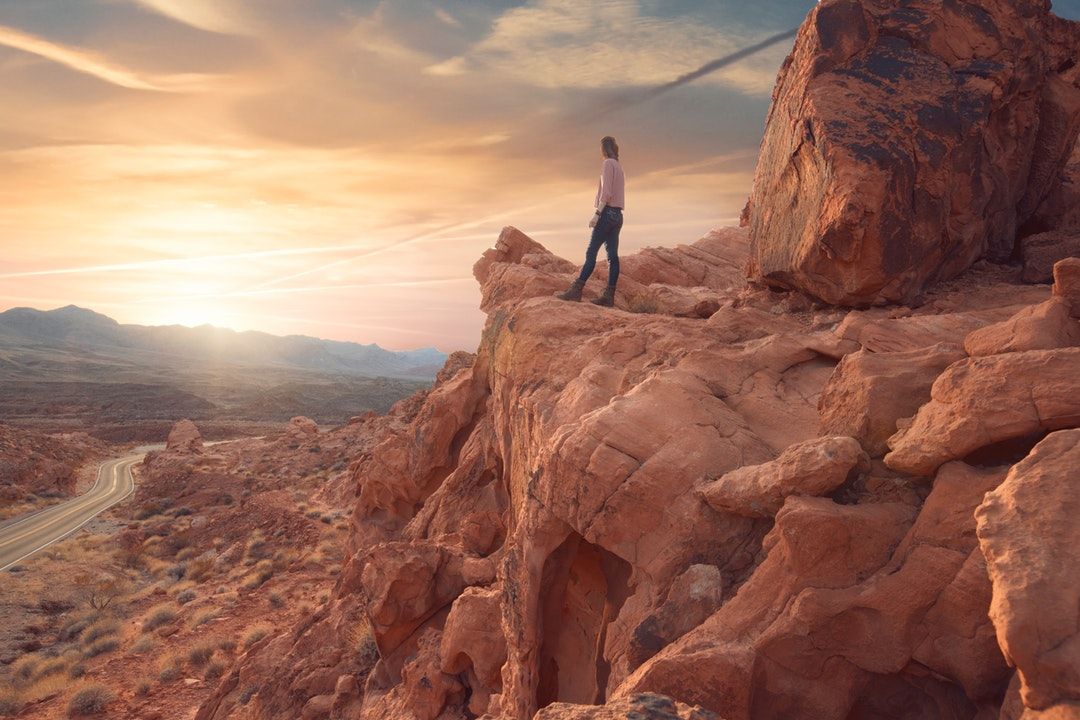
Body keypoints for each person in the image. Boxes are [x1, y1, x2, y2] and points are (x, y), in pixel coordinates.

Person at [556, 136, 625, 307]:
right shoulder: (619, 166)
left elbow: (607, 193)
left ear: (603, 149)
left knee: (591, 253)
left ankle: (576, 291)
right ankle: (609, 297)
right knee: (612, 257)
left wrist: (597, 214)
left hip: (607, 213)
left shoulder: (608, 164)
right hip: (618, 216)